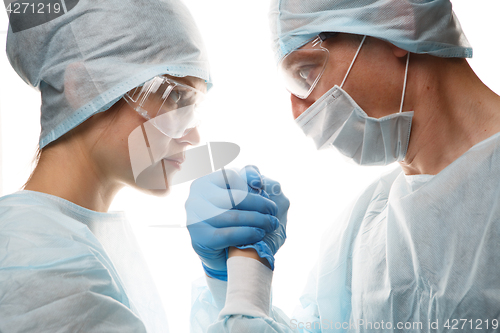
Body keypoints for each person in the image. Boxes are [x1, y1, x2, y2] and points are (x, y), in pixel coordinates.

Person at [188, 0, 500, 332]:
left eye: (307, 71)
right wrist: (236, 286)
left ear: (398, 19)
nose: (298, 112)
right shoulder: (366, 227)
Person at [0, 0, 210, 332]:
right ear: (84, 87)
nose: (193, 135)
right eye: (176, 98)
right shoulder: (40, 259)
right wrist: (243, 293)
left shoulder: (69, 240)